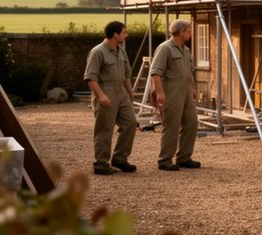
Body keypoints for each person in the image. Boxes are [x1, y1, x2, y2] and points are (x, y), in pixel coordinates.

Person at [84, 20, 137, 176]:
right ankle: (100, 163)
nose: (126, 35)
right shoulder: (98, 52)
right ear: (115, 34)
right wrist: (101, 95)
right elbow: (90, 77)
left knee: (131, 123)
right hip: (106, 91)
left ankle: (120, 158)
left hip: (121, 92)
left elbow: (127, 74)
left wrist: (130, 92)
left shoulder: (121, 51)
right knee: (104, 129)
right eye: (124, 33)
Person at [150, 19, 200, 171]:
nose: (191, 34)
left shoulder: (185, 49)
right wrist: (160, 93)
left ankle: (184, 157)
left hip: (185, 90)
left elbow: (189, 72)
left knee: (192, 122)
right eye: (189, 31)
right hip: (171, 90)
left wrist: (193, 88)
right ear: (181, 32)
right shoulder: (165, 48)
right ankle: (165, 159)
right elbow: (155, 73)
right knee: (172, 125)